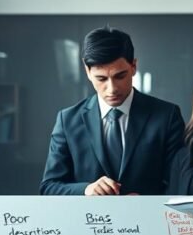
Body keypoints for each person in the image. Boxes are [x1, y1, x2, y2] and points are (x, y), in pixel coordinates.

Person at [40, 27, 185, 196]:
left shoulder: (167, 116)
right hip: (88, 213)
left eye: (120, 76)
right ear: (87, 71)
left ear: (134, 66)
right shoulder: (67, 121)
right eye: (101, 78)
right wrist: (86, 190)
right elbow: (49, 187)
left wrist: (146, 201)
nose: (112, 89)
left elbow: (179, 183)